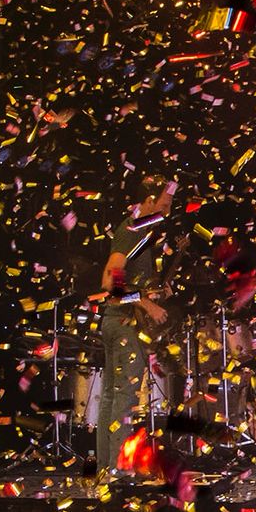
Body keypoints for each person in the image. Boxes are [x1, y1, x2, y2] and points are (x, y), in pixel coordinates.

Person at [96, 177, 177, 474]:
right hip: (122, 322)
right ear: (147, 201)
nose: (166, 212)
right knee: (124, 397)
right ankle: (120, 470)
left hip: (116, 322)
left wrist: (155, 292)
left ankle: (107, 468)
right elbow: (109, 283)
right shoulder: (130, 231)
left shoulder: (141, 234)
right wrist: (147, 304)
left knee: (111, 397)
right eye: (163, 205)